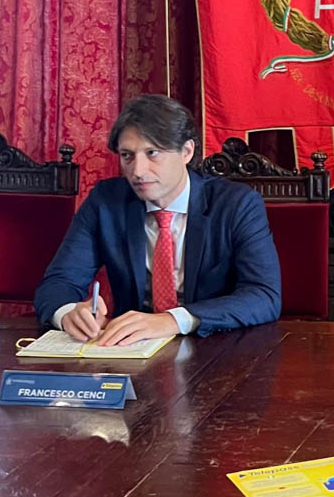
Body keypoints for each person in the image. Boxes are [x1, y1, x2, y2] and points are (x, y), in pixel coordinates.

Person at [34, 95, 281, 344]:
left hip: (215, 346)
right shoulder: (106, 201)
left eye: (152, 153)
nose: (138, 171)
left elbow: (263, 295)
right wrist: (68, 314)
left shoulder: (236, 204)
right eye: (127, 155)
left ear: (186, 152)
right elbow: (58, 282)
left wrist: (173, 320)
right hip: (131, 350)